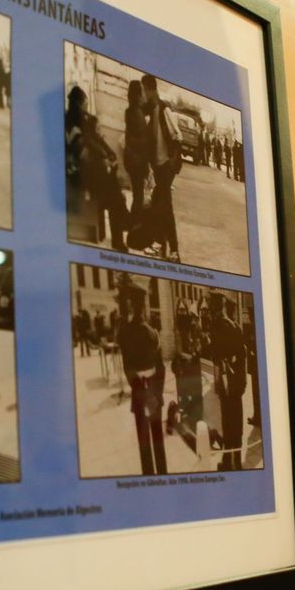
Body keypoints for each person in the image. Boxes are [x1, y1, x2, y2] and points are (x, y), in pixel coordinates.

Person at [119, 291, 167, 476]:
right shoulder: (153, 332)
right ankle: (163, 475)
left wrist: (141, 389)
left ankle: (150, 477)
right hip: (154, 391)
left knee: (144, 442)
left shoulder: (125, 333)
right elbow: (161, 368)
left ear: (131, 307)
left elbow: (128, 369)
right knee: (158, 440)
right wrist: (156, 392)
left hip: (140, 393)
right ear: (144, 307)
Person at [135, 75, 181, 261]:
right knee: (160, 206)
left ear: (151, 90)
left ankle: (171, 250)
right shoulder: (149, 111)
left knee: (163, 207)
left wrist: (171, 162)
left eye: (145, 91)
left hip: (166, 167)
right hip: (158, 168)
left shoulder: (163, 109)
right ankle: (164, 247)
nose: (144, 95)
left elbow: (177, 137)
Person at [79, 113, 129, 251]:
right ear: (92, 129)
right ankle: (118, 239)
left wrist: (109, 162)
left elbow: (112, 155)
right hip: (97, 186)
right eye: (97, 128)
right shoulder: (89, 144)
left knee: (117, 200)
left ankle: (118, 234)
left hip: (104, 183)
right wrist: (107, 163)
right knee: (117, 202)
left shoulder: (97, 140)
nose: (100, 131)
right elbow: (98, 165)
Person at [210, 296, 247, 471]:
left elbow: (215, 357)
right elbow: (242, 356)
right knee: (237, 422)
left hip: (226, 383)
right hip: (237, 384)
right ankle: (237, 461)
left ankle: (226, 461)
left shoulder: (217, 326)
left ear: (215, 308)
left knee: (227, 422)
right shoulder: (236, 327)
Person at [122, 79, 150, 220]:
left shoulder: (131, 111)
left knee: (137, 195)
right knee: (138, 197)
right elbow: (139, 141)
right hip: (137, 160)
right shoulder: (137, 114)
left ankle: (133, 223)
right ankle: (133, 224)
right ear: (138, 95)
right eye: (142, 92)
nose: (144, 95)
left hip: (132, 159)